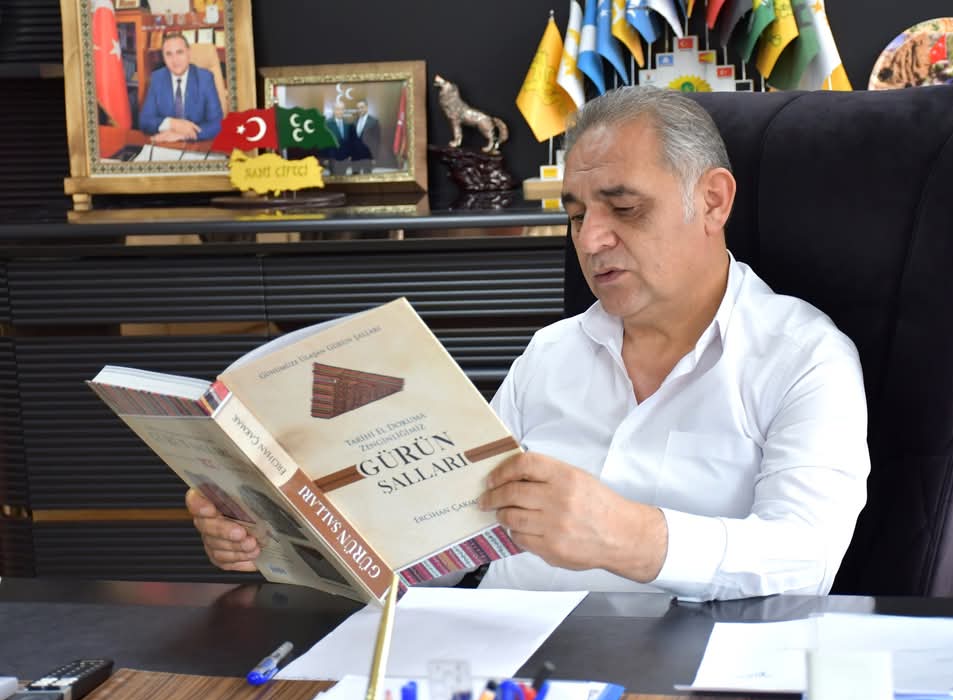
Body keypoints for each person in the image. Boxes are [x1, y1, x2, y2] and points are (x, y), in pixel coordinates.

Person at [186, 85, 869, 602]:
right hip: (497, 664)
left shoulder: (804, 358)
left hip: (677, 675)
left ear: (713, 201)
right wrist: (285, 536)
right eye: (576, 215)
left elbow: (808, 558)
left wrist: (630, 536)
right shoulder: (550, 353)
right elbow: (445, 544)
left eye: (624, 208)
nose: (591, 240)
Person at [137, 32, 223, 143]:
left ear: (188, 53)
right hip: (166, 144)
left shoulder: (204, 78)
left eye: (179, 52)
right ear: (163, 57)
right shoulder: (157, 78)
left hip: (197, 145)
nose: (175, 60)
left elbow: (217, 124)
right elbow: (145, 121)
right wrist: (172, 123)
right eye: (169, 54)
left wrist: (183, 135)